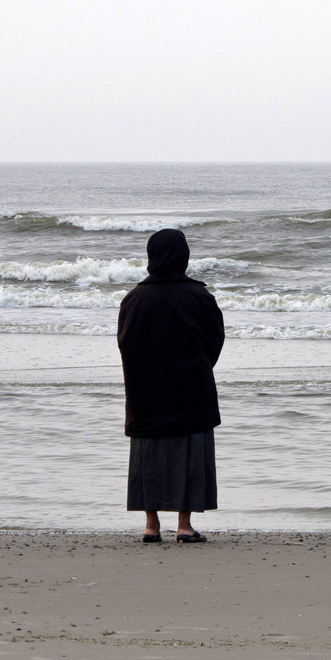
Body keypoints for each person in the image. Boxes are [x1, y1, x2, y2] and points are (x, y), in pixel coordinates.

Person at [118, 229, 225, 544]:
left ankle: (151, 525)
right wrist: (200, 367)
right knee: (189, 454)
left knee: (148, 454)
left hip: (145, 390)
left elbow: (125, 343)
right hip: (192, 388)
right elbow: (214, 340)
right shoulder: (199, 297)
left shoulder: (133, 299)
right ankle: (184, 525)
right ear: (183, 256)